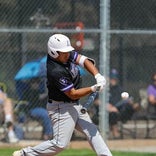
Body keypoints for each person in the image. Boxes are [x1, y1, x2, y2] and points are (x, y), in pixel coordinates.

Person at [13, 34, 112, 156]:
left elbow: (84, 60)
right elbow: (72, 94)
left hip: (73, 105)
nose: (67, 54)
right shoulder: (55, 70)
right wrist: (93, 88)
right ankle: (25, 154)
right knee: (60, 144)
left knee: (92, 130)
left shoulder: (65, 55)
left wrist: (98, 76)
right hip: (61, 108)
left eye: (67, 52)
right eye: (63, 52)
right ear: (54, 53)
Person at [107, 69, 139, 139]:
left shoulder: (120, 89)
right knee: (113, 113)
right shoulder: (105, 89)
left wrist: (131, 103)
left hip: (120, 111)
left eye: (115, 78)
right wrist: (106, 106)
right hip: (107, 112)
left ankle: (135, 107)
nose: (113, 80)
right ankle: (116, 134)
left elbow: (128, 98)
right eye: (112, 78)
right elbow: (96, 100)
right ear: (108, 78)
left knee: (130, 105)